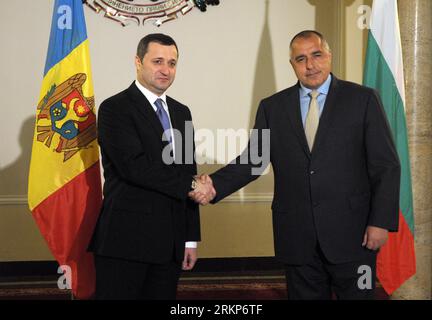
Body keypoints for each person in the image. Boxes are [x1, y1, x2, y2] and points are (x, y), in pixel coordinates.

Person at [190, 30, 401, 300]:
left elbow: (385, 166)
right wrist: (213, 186)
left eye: (316, 55)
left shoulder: (363, 100)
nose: (310, 65)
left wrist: (380, 222)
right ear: (292, 64)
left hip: (355, 236)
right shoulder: (273, 107)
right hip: (297, 237)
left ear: (329, 56)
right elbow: (253, 162)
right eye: (300, 59)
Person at [88, 33, 211, 300]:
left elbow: (187, 171)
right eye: (158, 61)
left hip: (170, 245)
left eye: (172, 63)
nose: (166, 70)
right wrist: (193, 185)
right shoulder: (114, 109)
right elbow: (135, 167)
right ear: (138, 61)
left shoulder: (181, 112)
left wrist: (190, 238)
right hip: (126, 242)